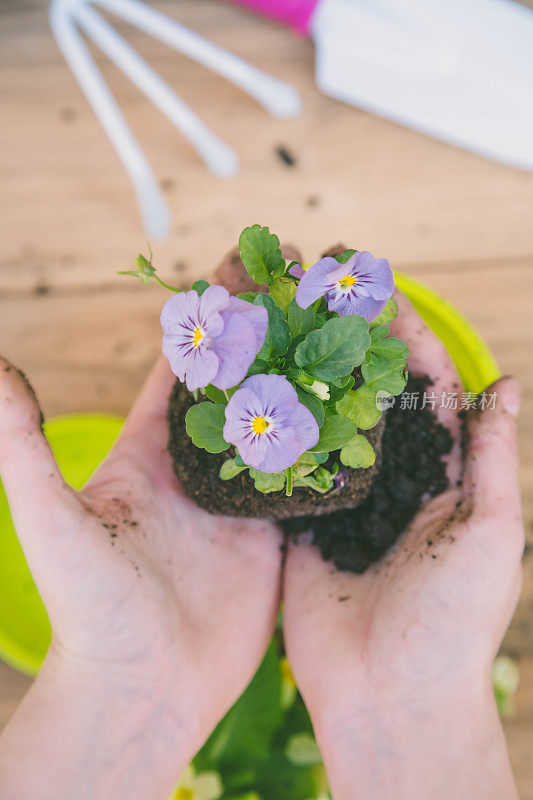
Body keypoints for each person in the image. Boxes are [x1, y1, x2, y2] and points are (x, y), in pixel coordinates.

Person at [0, 294, 523, 799]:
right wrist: (421, 700)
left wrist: (117, 679)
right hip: (264, 431)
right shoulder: (252, 422)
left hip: (283, 438)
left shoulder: (284, 426)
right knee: (244, 413)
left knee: (320, 418)